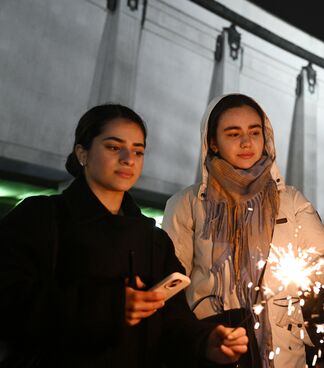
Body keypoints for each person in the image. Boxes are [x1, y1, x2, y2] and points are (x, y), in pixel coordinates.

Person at [0, 104, 247, 367]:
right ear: (82, 153)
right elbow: (9, 303)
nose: (128, 158)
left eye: (138, 151)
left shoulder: (154, 240)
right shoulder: (40, 218)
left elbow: (173, 323)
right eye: (114, 147)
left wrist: (207, 341)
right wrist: (108, 307)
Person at [162, 94, 324, 367]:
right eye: (233, 133)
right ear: (212, 141)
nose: (247, 142)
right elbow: (172, 287)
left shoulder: (290, 201)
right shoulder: (187, 204)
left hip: (282, 354)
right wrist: (199, 337)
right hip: (215, 347)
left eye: (254, 132)